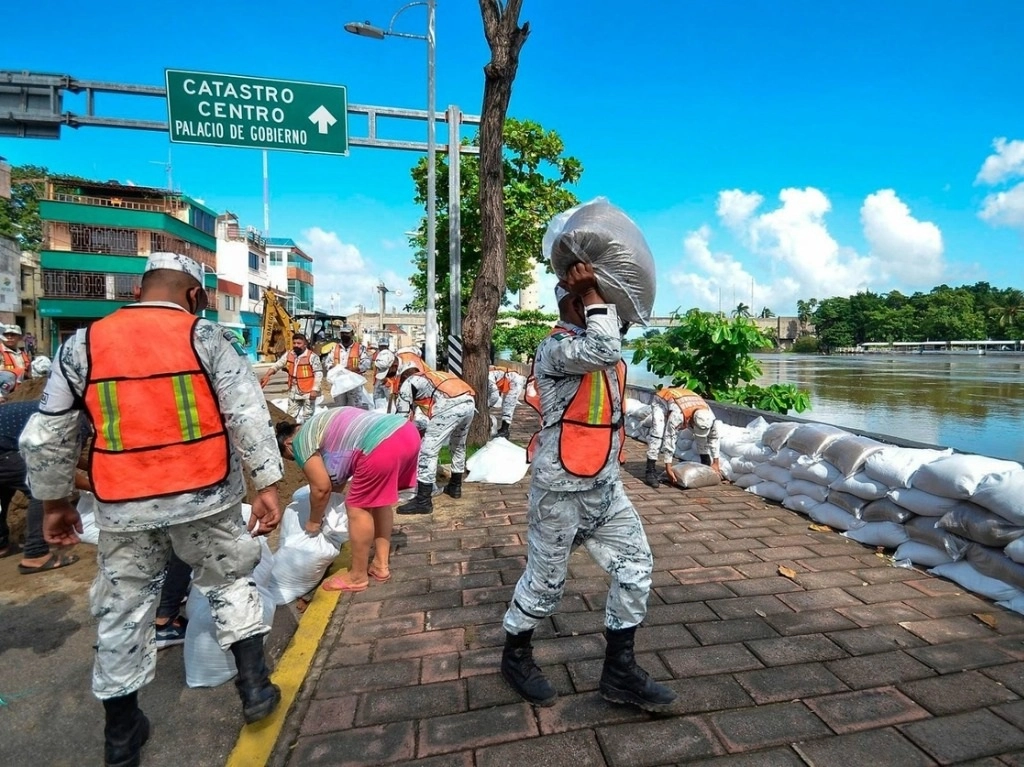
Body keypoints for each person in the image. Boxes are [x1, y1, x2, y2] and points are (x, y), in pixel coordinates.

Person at [20, 252, 285, 767]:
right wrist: (267, 483)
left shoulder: (83, 345)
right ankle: (254, 690)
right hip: (205, 495)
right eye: (201, 300)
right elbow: (247, 412)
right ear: (193, 295)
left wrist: (54, 501)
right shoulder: (204, 338)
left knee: (122, 611)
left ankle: (121, 738)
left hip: (122, 506)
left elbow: (49, 432)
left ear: (140, 290)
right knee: (230, 582)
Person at [499, 263, 676, 713]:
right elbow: (600, 345)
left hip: (605, 488)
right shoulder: (556, 347)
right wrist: (592, 290)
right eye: (597, 303)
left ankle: (619, 673)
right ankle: (514, 656)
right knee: (546, 586)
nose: (610, 314)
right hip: (559, 492)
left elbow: (613, 344)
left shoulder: (608, 351)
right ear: (577, 302)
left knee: (636, 567)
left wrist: (611, 293)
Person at [275, 406, 420, 592]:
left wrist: (313, 522)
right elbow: (334, 482)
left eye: (292, 459)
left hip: (380, 445)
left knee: (357, 508)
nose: (298, 460)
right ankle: (380, 565)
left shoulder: (300, 442)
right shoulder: (320, 424)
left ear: (288, 444)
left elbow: (321, 489)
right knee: (378, 502)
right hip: (406, 432)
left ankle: (357, 576)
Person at [0, 398, 80, 573]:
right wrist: (95, 487)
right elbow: (61, 461)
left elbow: (67, 453)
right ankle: (35, 555)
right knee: (43, 488)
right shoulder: (77, 418)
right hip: (4, 448)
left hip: (5, 443)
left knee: (3, 489)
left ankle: (1, 544)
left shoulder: (58, 405)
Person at [394, 362, 475, 514]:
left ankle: (423, 501)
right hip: (469, 401)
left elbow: (401, 418)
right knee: (458, 445)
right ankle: (455, 486)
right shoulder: (431, 376)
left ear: (403, 378)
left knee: (428, 451)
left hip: (449, 405)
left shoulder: (408, 383)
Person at [644, 386, 716, 488]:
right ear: (691, 420)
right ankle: (650, 470)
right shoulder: (678, 416)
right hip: (662, 400)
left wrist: (716, 462)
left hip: (683, 400)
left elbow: (714, 437)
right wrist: (668, 468)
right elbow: (669, 438)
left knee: (702, 437)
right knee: (658, 433)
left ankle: (705, 463)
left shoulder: (709, 414)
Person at [261, 332, 323, 423]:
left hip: (308, 392)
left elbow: (318, 374)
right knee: (290, 415)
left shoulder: (312, 357)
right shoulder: (289, 354)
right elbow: (278, 365)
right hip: (294, 391)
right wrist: (267, 375)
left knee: (308, 416)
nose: (296, 345)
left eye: (299, 343)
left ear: (305, 344)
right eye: (294, 343)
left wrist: (315, 390)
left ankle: (306, 434)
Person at [323, 326, 372, 410]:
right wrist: (333, 368)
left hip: (354, 384)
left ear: (352, 334)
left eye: (347, 333)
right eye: (342, 333)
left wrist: (356, 368)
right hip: (339, 383)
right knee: (340, 408)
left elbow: (367, 363)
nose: (344, 335)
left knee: (354, 408)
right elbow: (327, 362)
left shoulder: (360, 348)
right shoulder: (335, 348)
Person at [488, 365, 527, 439]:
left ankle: (505, 431)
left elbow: (495, 396)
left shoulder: (488, 377)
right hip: (512, 379)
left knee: (508, 405)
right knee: (506, 404)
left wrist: (487, 406)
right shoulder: (490, 375)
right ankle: (504, 430)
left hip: (515, 381)